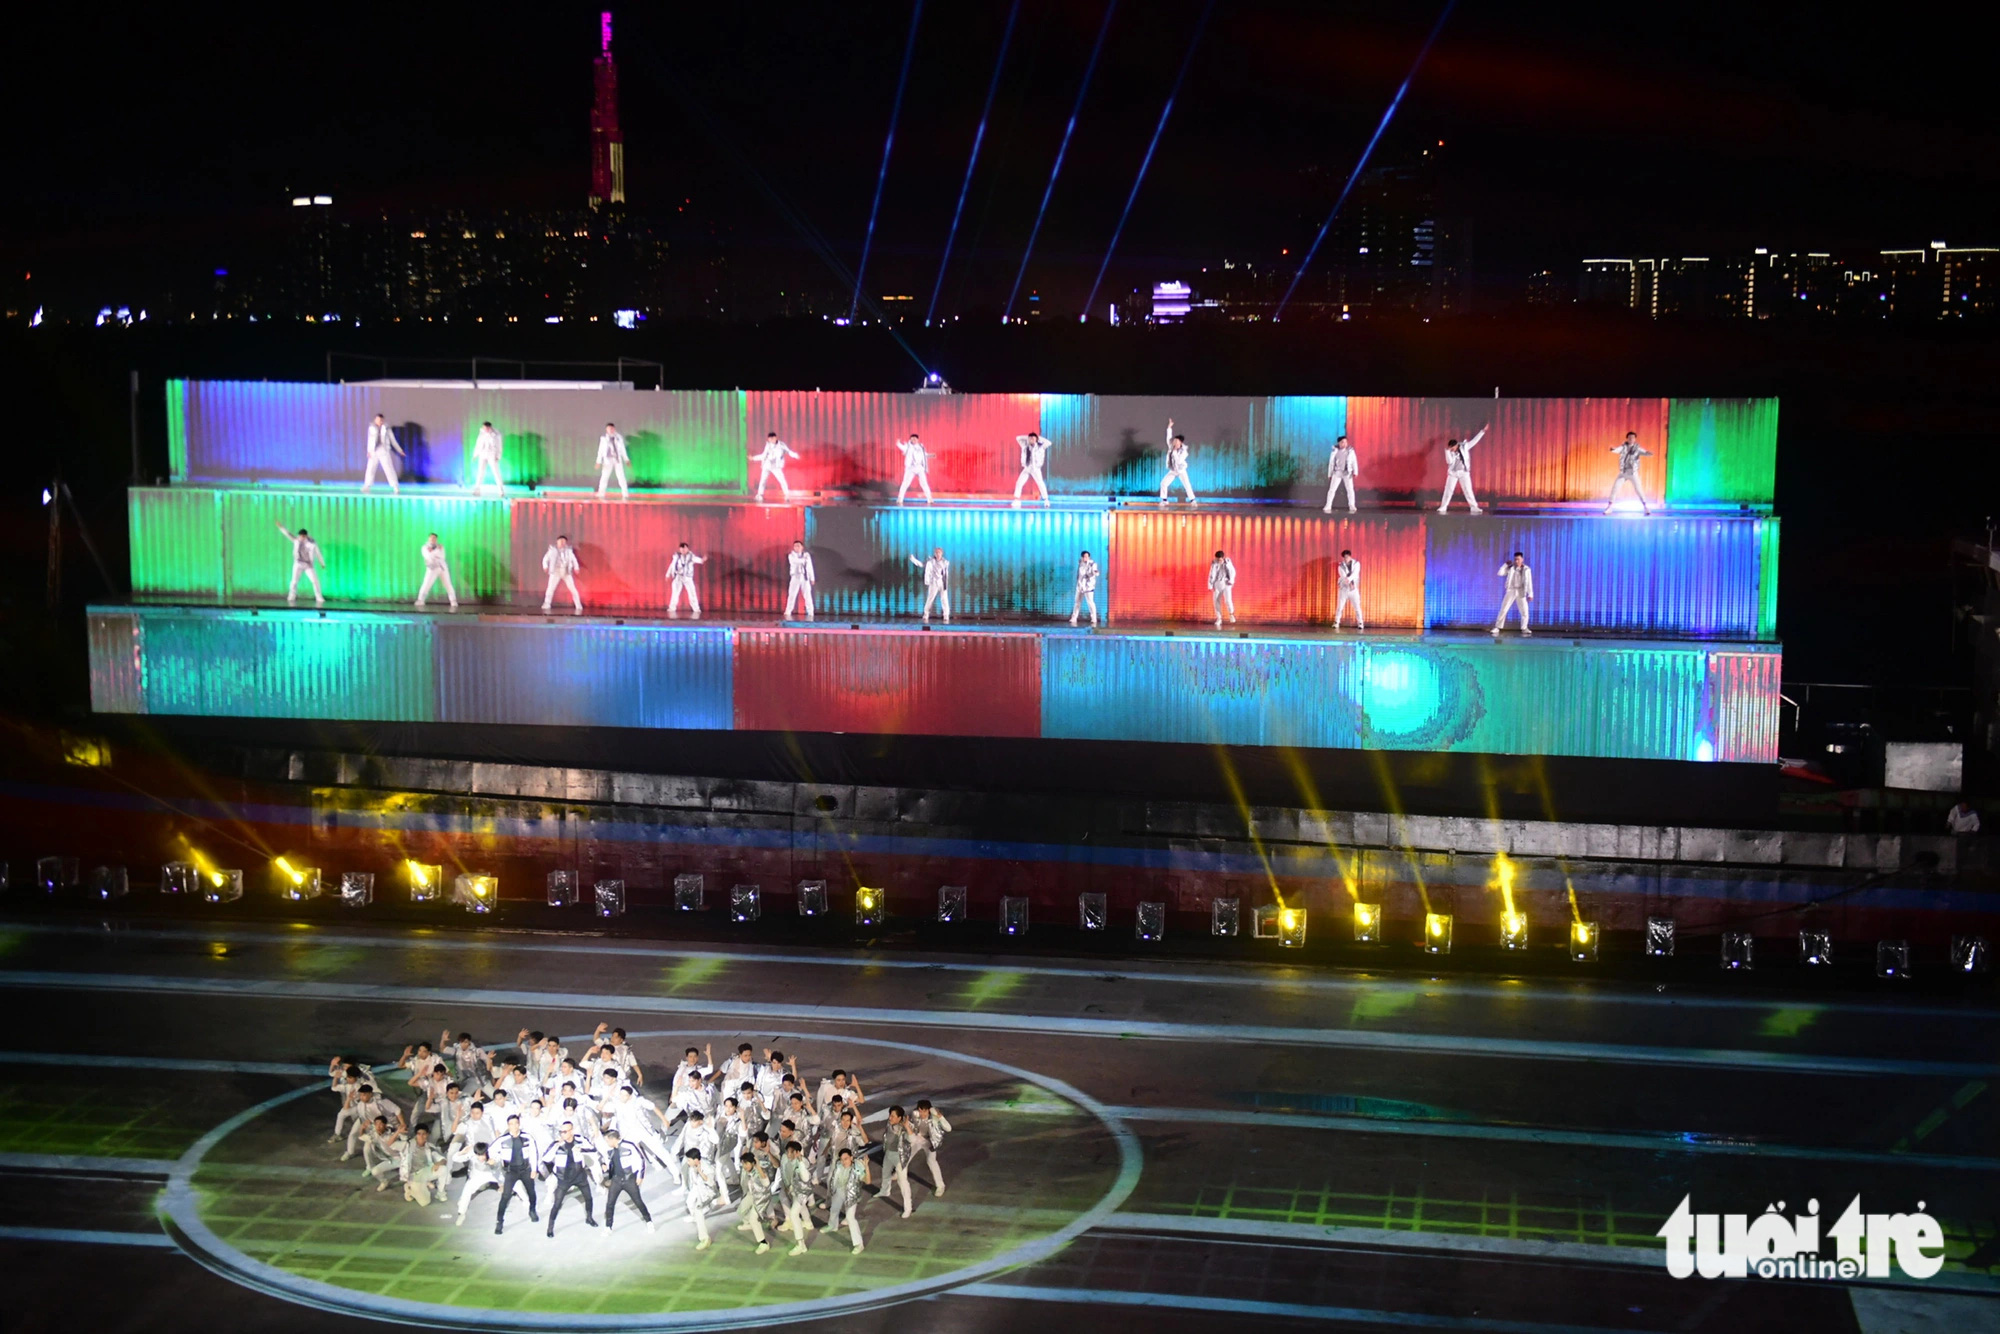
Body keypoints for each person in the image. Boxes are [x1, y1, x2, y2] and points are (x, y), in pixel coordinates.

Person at [541, 1121, 600, 1236]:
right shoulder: (556, 1144)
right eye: (561, 1131)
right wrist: (556, 1146)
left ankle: (589, 1218)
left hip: (580, 1175)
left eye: (565, 1131)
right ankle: (550, 1227)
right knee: (557, 1203)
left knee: (588, 1198)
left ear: (571, 1131)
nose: (562, 1134)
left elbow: (593, 1150)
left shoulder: (580, 1140)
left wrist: (582, 1149)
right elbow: (546, 1158)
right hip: (564, 1177)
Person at [492, 1114, 540, 1233]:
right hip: (510, 1171)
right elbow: (491, 1151)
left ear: (519, 1124)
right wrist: (493, 1158)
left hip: (525, 1170)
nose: (513, 1126)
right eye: (511, 1124)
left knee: (531, 1193)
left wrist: (534, 1169)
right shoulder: (502, 1140)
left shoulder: (527, 1137)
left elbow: (534, 1153)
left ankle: (532, 1210)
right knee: (505, 1196)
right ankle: (499, 1221)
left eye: (515, 1123)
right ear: (508, 1126)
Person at [601, 1129, 655, 1233]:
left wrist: (640, 1176)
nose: (606, 1143)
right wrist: (604, 1165)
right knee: (610, 1203)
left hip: (629, 1179)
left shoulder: (629, 1146)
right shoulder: (609, 1150)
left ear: (613, 1139)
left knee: (638, 1201)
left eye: (607, 1140)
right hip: (616, 1180)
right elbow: (607, 1160)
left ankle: (649, 1222)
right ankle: (608, 1227)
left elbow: (640, 1159)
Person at [451, 1141, 504, 1226]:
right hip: (477, 1177)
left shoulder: (492, 1153)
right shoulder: (472, 1153)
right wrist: (462, 1152)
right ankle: (462, 1214)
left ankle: (526, 1200)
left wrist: (501, 1183)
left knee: (512, 1183)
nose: (480, 1157)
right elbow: (455, 1159)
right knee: (466, 1192)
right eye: (478, 1155)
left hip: (491, 1174)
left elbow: (500, 1167)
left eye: (482, 1155)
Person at [1438, 426, 1488, 514]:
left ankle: (1474, 507)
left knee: (1468, 490)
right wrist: (1447, 452)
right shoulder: (1449, 451)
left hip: (1464, 473)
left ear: (1456, 445)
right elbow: (1449, 461)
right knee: (1448, 490)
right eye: (1451, 449)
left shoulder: (1464, 446)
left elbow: (1474, 441)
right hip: (1453, 473)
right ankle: (1443, 506)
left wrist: (1482, 432)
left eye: (1453, 448)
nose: (1452, 450)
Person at [827, 1146, 867, 1253]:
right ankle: (832, 1225)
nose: (844, 1161)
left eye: (846, 1159)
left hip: (851, 1195)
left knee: (850, 1218)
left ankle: (859, 1244)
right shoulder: (839, 1166)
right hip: (840, 1190)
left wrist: (866, 1167)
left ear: (851, 1158)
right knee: (834, 1208)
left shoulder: (857, 1168)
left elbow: (868, 1181)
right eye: (842, 1159)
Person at [879, 1105, 915, 1219]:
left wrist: (906, 1127)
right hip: (889, 1153)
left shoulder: (905, 1127)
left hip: (899, 1157)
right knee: (885, 1172)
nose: (890, 1118)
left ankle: (908, 1208)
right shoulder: (889, 1123)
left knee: (902, 1181)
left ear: (900, 1118)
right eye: (890, 1115)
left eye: (893, 1116)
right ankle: (885, 1191)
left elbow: (912, 1140)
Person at [1605, 431, 1653, 515]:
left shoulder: (1637, 448)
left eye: (1633, 438)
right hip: (1623, 472)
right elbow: (1617, 450)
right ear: (1627, 438)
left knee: (1639, 490)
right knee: (1615, 488)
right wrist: (1613, 449)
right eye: (1630, 438)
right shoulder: (1623, 447)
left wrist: (1648, 453)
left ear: (1635, 439)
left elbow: (1644, 452)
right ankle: (1609, 507)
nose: (1631, 439)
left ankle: (1646, 507)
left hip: (1633, 473)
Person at [277, 523, 325, 606]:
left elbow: (318, 553)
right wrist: (281, 527)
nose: (301, 538)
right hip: (298, 564)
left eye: (303, 536)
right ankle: (292, 596)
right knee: (294, 581)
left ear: (306, 536)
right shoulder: (296, 540)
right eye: (300, 536)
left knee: (315, 581)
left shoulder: (312, 543)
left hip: (308, 565)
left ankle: (319, 597)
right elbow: (288, 534)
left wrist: (322, 563)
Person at [910, 1100, 951, 1197]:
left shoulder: (935, 1118)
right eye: (920, 1111)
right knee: (906, 1154)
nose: (922, 1113)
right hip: (918, 1137)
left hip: (930, 1141)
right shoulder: (915, 1114)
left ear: (929, 1110)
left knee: (931, 1161)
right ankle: (898, 1172)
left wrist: (940, 1116)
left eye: (924, 1111)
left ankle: (940, 1186)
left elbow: (949, 1128)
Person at [736, 1152, 774, 1253]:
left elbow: (766, 1183)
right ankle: (750, 1224)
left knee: (753, 1218)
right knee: (740, 1210)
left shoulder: (759, 1172)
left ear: (753, 1163)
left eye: (746, 1163)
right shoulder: (746, 1172)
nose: (744, 1166)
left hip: (761, 1198)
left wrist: (758, 1167)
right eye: (743, 1163)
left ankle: (764, 1243)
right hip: (752, 1194)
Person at [682, 1148, 720, 1249]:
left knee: (698, 1210)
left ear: (695, 1160)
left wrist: (701, 1172)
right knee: (689, 1202)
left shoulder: (707, 1168)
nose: (687, 1162)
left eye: (689, 1160)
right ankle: (696, 1217)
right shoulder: (692, 1166)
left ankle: (705, 1239)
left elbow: (711, 1183)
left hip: (707, 1193)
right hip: (698, 1187)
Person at [1492, 551, 1534, 636]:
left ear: (1522, 559)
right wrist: (1505, 565)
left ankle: (1524, 627)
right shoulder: (1511, 568)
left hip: (1521, 591)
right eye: (1515, 559)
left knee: (1524, 611)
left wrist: (1530, 594)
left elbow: (1529, 582)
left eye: (1518, 559)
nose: (1516, 561)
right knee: (1504, 608)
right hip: (1511, 590)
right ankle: (1497, 627)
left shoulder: (1526, 569)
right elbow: (1500, 573)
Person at [362, 414, 405, 493]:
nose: (379, 421)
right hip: (374, 451)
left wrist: (399, 450)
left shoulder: (386, 428)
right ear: (375, 420)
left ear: (382, 420)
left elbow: (393, 440)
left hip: (383, 451)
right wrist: (369, 451)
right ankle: (367, 485)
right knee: (370, 469)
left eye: (380, 420)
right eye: (377, 420)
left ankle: (395, 486)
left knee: (388, 468)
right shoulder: (371, 428)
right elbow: (370, 440)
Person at [415, 533, 458, 610]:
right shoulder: (425, 547)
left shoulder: (440, 546)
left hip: (442, 567)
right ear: (429, 538)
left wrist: (434, 552)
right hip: (432, 568)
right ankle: (421, 600)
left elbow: (442, 556)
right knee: (426, 583)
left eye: (434, 538)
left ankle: (453, 601)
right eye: (431, 538)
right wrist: (435, 552)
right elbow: (428, 556)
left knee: (448, 584)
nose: (433, 539)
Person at [753, 432, 800, 502]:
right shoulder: (768, 446)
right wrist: (754, 458)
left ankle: (787, 495)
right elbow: (763, 456)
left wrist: (796, 455)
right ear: (768, 439)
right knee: (763, 480)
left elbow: (789, 452)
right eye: (770, 439)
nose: (771, 440)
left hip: (776, 466)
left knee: (782, 480)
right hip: (767, 465)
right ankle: (760, 495)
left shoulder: (781, 445)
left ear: (776, 438)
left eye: (773, 438)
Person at [541, 535, 582, 614]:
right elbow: (545, 559)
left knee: (572, 588)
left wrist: (576, 567)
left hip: (566, 571)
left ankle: (578, 604)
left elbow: (574, 560)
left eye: (564, 542)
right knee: (550, 588)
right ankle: (547, 603)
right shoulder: (552, 550)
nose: (562, 543)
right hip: (555, 571)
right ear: (557, 542)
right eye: (561, 541)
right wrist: (545, 566)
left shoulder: (569, 551)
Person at [1159, 419, 1197, 504]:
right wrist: (1169, 427)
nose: (1174, 442)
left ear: (1180, 443)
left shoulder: (1184, 451)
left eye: (1177, 441)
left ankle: (1193, 500)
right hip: (1173, 470)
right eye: (1174, 441)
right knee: (1163, 483)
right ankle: (1164, 500)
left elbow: (1179, 461)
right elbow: (1168, 437)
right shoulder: (1171, 447)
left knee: (1187, 485)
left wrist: (1175, 451)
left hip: (1181, 470)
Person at [910, 547, 951, 623]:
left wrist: (945, 584)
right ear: (935, 554)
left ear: (941, 554)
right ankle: (926, 614)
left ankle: (946, 615)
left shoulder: (945, 562)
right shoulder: (931, 561)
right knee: (930, 599)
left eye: (939, 553)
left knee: (944, 599)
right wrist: (913, 559)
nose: (938, 554)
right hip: (934, 583)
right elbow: (922, 564)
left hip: (942, 582)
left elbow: (945, 574)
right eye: (936, 553)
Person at [666, 542, 706, 618]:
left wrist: (702, 560)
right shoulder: (676, 557)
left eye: (685, 548)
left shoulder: (691, 556)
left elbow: (698, 560)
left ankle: (696, 609)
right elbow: (672, 566)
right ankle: (672, 608)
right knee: (675, 593)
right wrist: (668, 575)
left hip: (688, 577)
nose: (683, 550)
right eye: (682, 548)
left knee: (692, 593)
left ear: (687, 549)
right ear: (680, 549)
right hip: (678, 576)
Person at [1013, 431, 1051, 506]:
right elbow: (1018, 438)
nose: (1031, 440)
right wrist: (1028, 437)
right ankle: (1017, 500)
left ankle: (1046, 500)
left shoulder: (1040, 446)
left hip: (1035, 468)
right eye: (1030, 439)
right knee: (1019, 482)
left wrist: (1038, 438)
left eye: (1033, 439)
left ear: (1036, 439)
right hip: (1027, 467)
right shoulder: (1025, 445)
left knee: (1040, 483)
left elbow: (1049, 443)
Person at [1324, 434, 1359, 514]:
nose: (1345, 444)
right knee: (1332, 490)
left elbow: (1354, 461)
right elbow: (1331, 463)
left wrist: (1355, 471)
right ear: (1339, 443)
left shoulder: (1350, 451)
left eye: (1346, 442)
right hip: (1337, 472)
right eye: (1343, 442)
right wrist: (1330, 474)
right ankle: (1328, 505)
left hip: (1347, 472)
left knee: (1350, 490)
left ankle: (1352, 505)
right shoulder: (1335, 451)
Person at [895, 433, 933, 504]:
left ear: (917, 440)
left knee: (924, 483)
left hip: (919, 467)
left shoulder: (921, 447)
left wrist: (931, 455)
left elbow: (924, 455)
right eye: (912, 439)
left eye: (915, 439)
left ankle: (930, 499)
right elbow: (902, 447)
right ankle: (900, 498)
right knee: (905, 483)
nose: (913, 440)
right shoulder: (908, 447)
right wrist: (898, 443)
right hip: (910, 468)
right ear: (910, 439)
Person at [596, 423, 629, 500]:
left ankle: (625, 493)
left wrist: (626, 459)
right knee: (604, 476)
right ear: (606, 430)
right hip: (607, 460)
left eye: (612, 429)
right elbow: (600, 451)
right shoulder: (603, 438)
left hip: (617, 459)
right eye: (609, 429)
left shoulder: (619, 438)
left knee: (621, 476)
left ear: (614, 429)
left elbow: (623, 450)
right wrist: (598, 461)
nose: (610, 430)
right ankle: (601, 493)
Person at [785, 540, 816, 620]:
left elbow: (810, 567)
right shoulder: (791, 555)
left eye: (798, 546)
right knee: (792, 594)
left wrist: (812, 578)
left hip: (805, 577)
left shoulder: (806, 555)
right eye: (795, 546)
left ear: (802, 547)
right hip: (795, 576)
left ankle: (810, 612)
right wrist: (804, 560)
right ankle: (788, 611)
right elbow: (795, 562)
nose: (797, 547)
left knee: (807, 595)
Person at [471, 422, 505, 494]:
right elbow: (478, 444)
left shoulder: (496, 434)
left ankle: (500, 489)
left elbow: (499, 446)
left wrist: (498, 456)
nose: (485, 429)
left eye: (486, 428)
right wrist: (475, 455)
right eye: (484, 428)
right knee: (480, 472)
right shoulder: (482, 434)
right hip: (482, 454)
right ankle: (477, 489)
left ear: (489, 427)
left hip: (492, 454)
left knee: (496, 472)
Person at [1334, 548, 1363, 631]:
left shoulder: (1356, 564)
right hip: (1344, 588)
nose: (1346, 558)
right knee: (1340, 606)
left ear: (1350, 556)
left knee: (1357, 606)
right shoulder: (1341, 566)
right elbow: (1343, 575)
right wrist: (1348, 581)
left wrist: (1349, 579)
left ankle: (1360, 623)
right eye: (1344, 557)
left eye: (1347, 557)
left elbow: (1355, 573)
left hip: (1354, 589)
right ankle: (1336, 622)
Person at [1208, 549, 1238, 628]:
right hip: (1217, 583)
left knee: (1228, 600)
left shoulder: (1228, 562)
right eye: (1217, 559)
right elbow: (1211, 574)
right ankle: (1219, 618)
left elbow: (1232, 572)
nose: (1218, 560)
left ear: (1222, 557)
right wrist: (1210, 585)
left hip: (1226, 583)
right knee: (1216, 601)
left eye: (1219, 559)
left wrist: (1231, 580)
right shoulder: (1214, 563)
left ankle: (1231, 614)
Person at [1070, 550, 1100, 628]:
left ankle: (1094, 619)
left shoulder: (1092, 564)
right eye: (1084, 556)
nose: (1086, 558)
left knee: (1090, 603)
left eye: (1087, 556)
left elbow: (1095, 572)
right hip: (1080, 586)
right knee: (1077, 602)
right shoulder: (1080, 563)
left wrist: (1095, 572)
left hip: (1088, 587)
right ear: (1082, 557)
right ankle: (1074, 618)